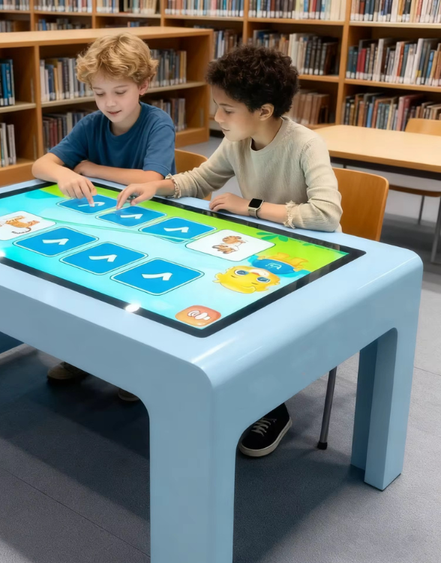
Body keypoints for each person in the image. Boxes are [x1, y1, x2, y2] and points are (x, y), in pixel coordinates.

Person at [117, 45, 343, 455]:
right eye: (217, 107)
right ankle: (196, 380)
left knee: (252, 311)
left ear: (264, 111)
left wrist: (250, 206)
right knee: (193, 288)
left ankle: (271, 404)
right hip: (262, 249)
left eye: (226, 109)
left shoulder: (306, 144)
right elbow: (200, 179)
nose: (217, 118)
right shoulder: (238, 139)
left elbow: (326, 215)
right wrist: (156, 186)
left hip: (313, 258)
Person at [32, 33, 176, 400]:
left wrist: (92, 168)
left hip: (150, 225)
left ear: (143, 85)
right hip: (101, 222)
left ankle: (133, 370)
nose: (109, 103)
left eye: (120, 92)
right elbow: (41, 165)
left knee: (135, 298)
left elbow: (151, 178)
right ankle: (84, 356)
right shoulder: (91, 124)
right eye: (99, 93)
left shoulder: (158, 123)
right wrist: (64, 173)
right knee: (81, 287)